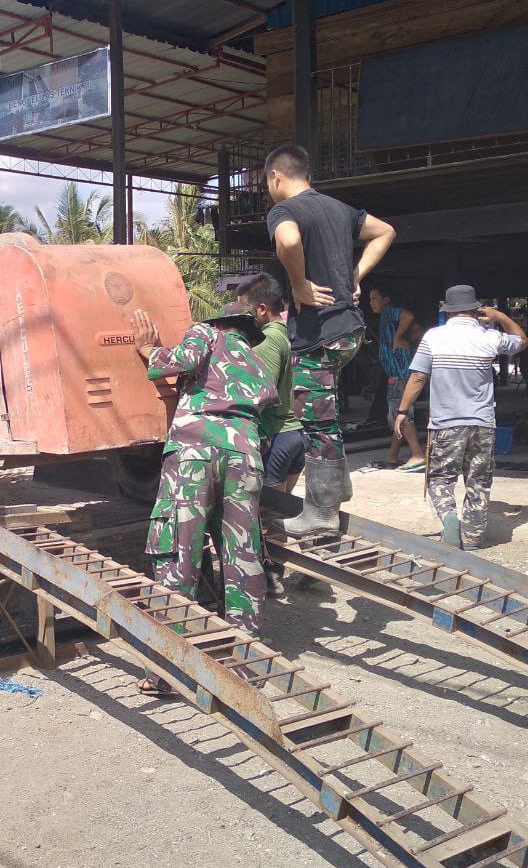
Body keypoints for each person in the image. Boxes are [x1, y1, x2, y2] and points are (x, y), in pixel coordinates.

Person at [130, 301, 278, 695]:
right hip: (245, 455)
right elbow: (271, 411)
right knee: (242, 555)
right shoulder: (256, 359)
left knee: (179, 552)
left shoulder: (206, 332)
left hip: (195, 453)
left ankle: (169, 671)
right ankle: (246, 667)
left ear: (221, 322)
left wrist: (149, 348)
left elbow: (174, 362)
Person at [264, 143, 396, 536]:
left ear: (277, 177)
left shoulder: (284, 210)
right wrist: (354, 275)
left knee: (315, 422)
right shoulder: (340, 209)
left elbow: (287, 242)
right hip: (350, 330)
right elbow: (385, 231)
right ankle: (339, 487)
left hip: (318, 333)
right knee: (329, 413)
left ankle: (321, 512)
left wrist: (298, 283)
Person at [394, 285, 527, 549]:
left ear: (448, 311)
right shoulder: (490, 337)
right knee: (478, 481)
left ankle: (450, 518)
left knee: (440, 479)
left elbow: (418, 377)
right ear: (476, 310)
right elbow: (522, 341)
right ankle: (474, 540)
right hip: (483, 424)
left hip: (446, 424)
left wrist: (401, 411)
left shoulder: (434, 337)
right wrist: (500, 317)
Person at [241, 273, 305, 495]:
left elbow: (263, 394)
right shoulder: (290, 333)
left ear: (261, 308)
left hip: (278, 435)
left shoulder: (267, 341)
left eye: (246, 310)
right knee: (284, 510)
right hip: (295, 433)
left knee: (270, 513)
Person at [368, 284, 425, 471]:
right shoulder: (387, 317)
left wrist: (398, 338)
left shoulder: (391, 312)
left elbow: (408, 317)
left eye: (375, 298)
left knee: (400, 414)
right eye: (370, 299)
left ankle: (417, 454)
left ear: (386, 300)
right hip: (399, 373)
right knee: (397, 416)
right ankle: (392, 456)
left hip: (400, 374)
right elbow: (417, 330)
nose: (371, 303)